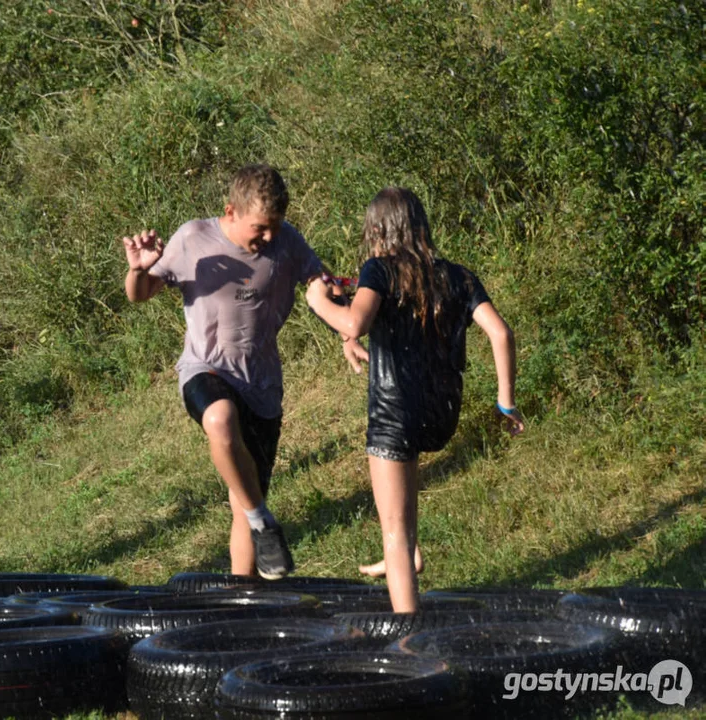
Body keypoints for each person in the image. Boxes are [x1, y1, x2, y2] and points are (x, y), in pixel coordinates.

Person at [306, 187, 525, 612]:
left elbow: (357, 319)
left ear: (376, 231)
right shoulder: (459, 276)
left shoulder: (380, 270)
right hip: (441, 415)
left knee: (394, 534)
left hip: (394, 414)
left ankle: (410, 634)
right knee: (401, 521)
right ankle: (411, 551)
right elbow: (501, 333)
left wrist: (319, 305)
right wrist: (505, 401)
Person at [123, 163, 342, 581]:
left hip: (261, 384)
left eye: (275, 227)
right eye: (260, 228)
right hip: (205, 368)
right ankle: (263, 520)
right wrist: (138, 268)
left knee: (244, 498)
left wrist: (346, 326)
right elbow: (141, 295)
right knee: (220, 421)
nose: (269, 237)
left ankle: (246, 598)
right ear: (230, 211)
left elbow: (319, 283)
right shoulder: (194, 239)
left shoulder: (286, 242)